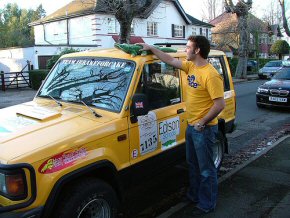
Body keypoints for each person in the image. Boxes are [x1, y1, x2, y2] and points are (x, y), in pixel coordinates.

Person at [137, 35, 225, 215]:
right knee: (193, 165)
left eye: (187, 47)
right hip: (192, 127)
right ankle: (194, 195)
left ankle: (207, 203)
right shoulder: (190, 66)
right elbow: (169, 59)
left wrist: (202, 122)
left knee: (207, 170)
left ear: (197, 50)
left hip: (204, 129)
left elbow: (219, 105)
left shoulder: (210, 74)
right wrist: (150, 47)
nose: (185, 50)